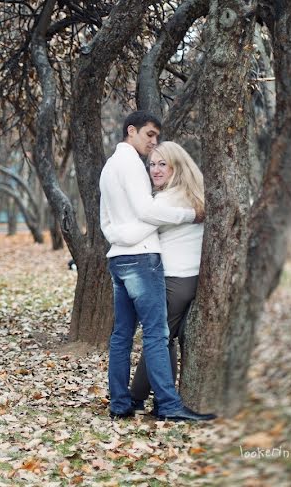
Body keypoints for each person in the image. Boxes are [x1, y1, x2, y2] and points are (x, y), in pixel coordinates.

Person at [99, 111, 215, 422]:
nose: (153, 144)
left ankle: (122, 404)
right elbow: (146, 212)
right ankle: (168, 405)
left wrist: (118, 238)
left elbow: (107, 220)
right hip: (141, 259)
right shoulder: (134, 168)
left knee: (123, 335)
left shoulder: (109, 167)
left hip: (118, 260)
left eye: (156, 139)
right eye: (150, 135)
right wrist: (190, 216)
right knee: (156, 334)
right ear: (131, 131)